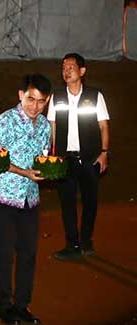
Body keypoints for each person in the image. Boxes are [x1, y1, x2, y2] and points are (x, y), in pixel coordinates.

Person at [0, 74, 52, 325]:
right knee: (4, 252)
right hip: (4, 196)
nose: (34, 106)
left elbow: (43, 157)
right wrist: (25, 172)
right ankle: (3, 306)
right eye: (30, 99)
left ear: (47, 101)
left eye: (41, 101)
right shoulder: (6, 120)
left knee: (28, 252)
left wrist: (48, 170)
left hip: (30, 198)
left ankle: (22, 305)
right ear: (20, 95)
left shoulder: (45, 126)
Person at [47, 53, 110, 260]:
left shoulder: (95, 95)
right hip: (65, 160)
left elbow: (103, 126)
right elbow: (52, 127)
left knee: (90, 201)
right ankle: (72, 244)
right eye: (64, 68)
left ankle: (86, 240)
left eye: (71, 67)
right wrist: (52, 154)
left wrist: (104, 153)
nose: (66, 71)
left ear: (82, 71)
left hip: (90, 159)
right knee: (67, 204)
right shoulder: (56, 96)